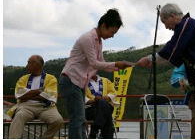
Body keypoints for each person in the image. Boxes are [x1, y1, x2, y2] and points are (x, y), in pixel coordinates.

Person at [136, 3, 195, 138]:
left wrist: (151, 59)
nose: (166, 27)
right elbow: (175, 53)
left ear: (173, 16)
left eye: (165, 22)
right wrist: (154, 61)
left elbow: (173, 47)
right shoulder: (187, 28)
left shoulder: (188, 23)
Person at [59, 8, 132, 139]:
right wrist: (117, 64)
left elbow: (101, 63)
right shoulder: (88, 38)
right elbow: (94, 63)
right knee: (78, 118)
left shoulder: (98, 41)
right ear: (104, 26)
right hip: (71, 80)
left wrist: (120, 68)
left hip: (78, 83)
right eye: (112, 31)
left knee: (80, 119)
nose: (112, 35)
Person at [7, 55, 63, 139]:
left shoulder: (51, 78)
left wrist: (28, 95)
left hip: (46, 107)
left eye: (29, 63)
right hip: (26, 107)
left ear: (37, 65)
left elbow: (48, 96)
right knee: (19, 116)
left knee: (58, 120)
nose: (27, 65)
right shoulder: (23, 78)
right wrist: (39, 91)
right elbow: (19, 95)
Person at [84, 74, 118, 139]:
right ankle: (106, 136)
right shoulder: (83, 82)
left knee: (102, 102)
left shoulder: (105, 80)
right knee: (107, 115)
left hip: (105, 105)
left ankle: (95, 129)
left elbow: (113, 93)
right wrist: (93, 100)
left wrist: (104, 98)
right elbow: (81, 96)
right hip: (91, 108)